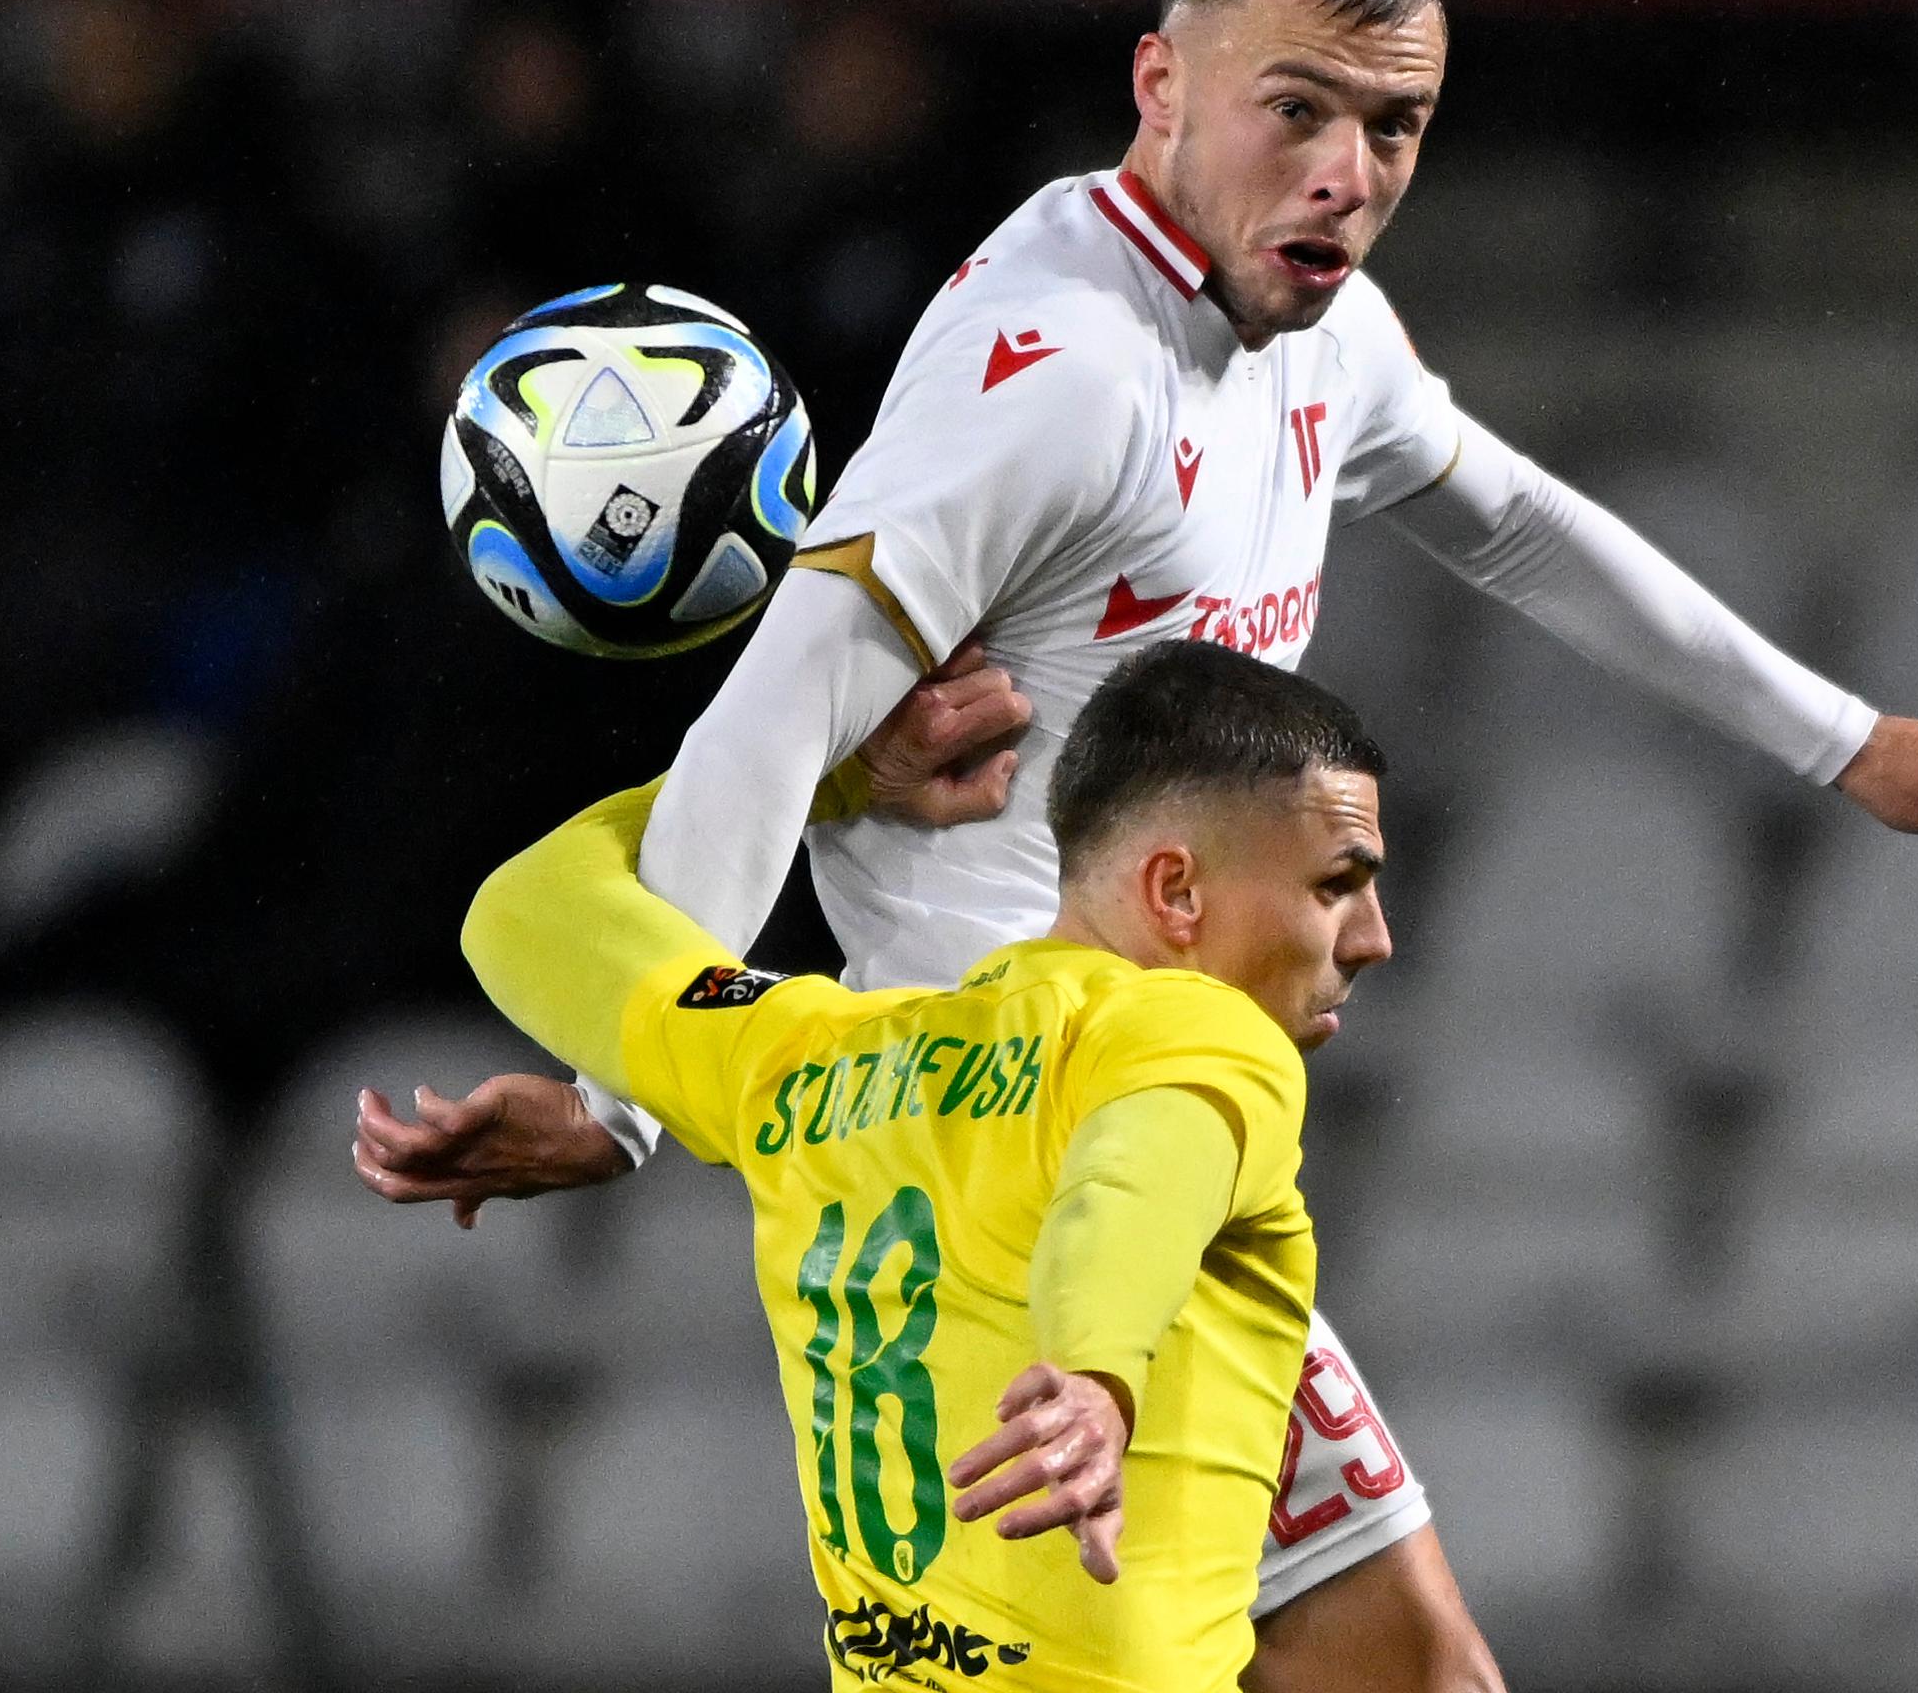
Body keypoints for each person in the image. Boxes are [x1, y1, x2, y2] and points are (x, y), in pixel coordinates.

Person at [358, 0, 1918, 1690]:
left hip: (1132, 1100)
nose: (1348, 172)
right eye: (1300, 112)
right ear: (1161, 89)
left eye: (1395, 125)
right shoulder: (1053, 377)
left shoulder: (1316, 334)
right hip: (1011, 1131)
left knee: (1402, 1669)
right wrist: (624, 1105)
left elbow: (1511, 521)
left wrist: (1842, 738)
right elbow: (767, 721)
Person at [433, 642, 1389, 1687]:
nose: (1373, 937)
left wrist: (817, 779)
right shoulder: (1197, 1033)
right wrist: (1099, 1376)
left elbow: (531, 906)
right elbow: (1132, 1183)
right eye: (1339, 884)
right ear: (1177, 892)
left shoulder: (811, 1057)